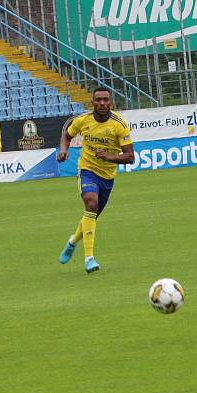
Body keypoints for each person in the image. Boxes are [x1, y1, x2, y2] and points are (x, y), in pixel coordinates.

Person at [57, 88, 136, 273]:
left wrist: (109, 157)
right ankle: (89, 259)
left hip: (107, 177)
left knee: (90, 215)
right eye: (98, 100)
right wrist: (63, 150)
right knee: (91, 204)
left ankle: (72, 241)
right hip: (87, 170)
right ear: (92, 102)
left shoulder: (119, 125)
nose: (102, 103)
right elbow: (67, 136)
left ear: (111, 103)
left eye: (106, 100)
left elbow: (130, 157)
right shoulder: (83, 121)